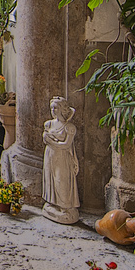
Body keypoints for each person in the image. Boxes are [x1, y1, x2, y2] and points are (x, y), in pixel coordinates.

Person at [42, 96, 81, 224]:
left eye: (56, 108)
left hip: (62, 157)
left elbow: (66, 145)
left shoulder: (69, 127)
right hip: (50, 155)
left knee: (61, 180)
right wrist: (51, 142)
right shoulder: (49, 124)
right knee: (50, 179)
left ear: (62, 109)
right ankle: (52, 204)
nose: (53, 110)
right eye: (52, 108)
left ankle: (65, 207)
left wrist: (51, 142)